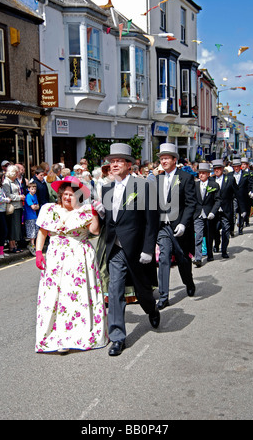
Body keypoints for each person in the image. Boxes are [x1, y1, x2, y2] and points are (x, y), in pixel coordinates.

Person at [98, 143, 160, 357]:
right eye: (111, 161)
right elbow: (109, 221)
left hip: (136, 249)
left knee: (143, 290)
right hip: (114, 247)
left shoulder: (143, 186)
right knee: (114, 291)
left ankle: (152, 308)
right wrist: (99, 213)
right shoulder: (105, 188)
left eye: (118, 161)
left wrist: (148, 249)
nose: (113, 165)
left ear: (129, 164)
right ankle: (117, 337)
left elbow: (152, 221)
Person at [35, 176, 108, 354]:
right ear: (60, 194)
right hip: (55, 257)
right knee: (55, 297)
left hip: (79, 257)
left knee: (77, 297)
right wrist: (38, 252)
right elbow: (42, 233)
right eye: (65, 194)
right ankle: (58, 338)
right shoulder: (49, 209)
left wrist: (95, 214)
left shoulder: (85, 210)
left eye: (72, 194)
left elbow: (95, 231)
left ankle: (79, 335)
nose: (68, 197)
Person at [153, 143, 197, 310]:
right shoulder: (157, 179)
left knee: (182, 258)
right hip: (163, 227)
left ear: (174, 160)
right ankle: (163, 297)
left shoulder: (185, 178)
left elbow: (191, 203)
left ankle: (188, 281)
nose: (163, 161)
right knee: (163, 259)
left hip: (178, 226)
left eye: (166, 158)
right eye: (161, 158)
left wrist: (184, 224)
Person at [193, 163, 222, 268]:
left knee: (210, 235)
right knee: (198, 236)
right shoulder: (195, 185)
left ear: (208, 174)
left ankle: (210, 253)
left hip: (209, 213)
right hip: (198, 214)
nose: (201, 175)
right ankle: (198, 258)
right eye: (200, 173)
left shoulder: (214, 185)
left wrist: (213, 212)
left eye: (203, 173)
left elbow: (218, 200)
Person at [212, 159, 235, 259]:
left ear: (222, 169)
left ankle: (224, 250)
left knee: (226, 230)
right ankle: (217, 244)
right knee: (215, 230)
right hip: (214, 211)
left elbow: (236, 192)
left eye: (218, 168)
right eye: (215, 169)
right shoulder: (211, 180)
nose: (216, 170)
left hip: (226, 210)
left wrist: (242, 208)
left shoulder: (229, 179)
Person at [3, 165, 25, 253]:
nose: (17, 174)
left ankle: (15, 244)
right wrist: (19, 197)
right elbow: (8, 195)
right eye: (16, 172)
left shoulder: (15, 181)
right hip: (12, 207)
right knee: (13, 226)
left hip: (19, 206)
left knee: (17, 227)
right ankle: (11, 246)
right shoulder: (6, 182)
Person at [24, 183, 39, 256]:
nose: (34, 190)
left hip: (34, 216)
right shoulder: (28, 196)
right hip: (29, 216)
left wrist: (35, 206)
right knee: (31, 232)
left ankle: (32, 244)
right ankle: (32, 245)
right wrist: (35, 206)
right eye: (32, 189)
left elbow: (37, 206)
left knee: (36, 231)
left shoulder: (35, 196)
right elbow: (33, 207)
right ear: (29, 189)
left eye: (35, 189)